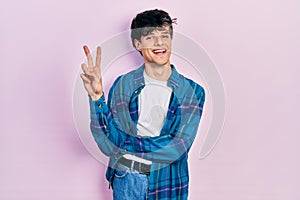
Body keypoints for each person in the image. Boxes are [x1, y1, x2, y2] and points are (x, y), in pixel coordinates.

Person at [80, 9, 205, 200]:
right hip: (126, 180)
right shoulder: (123, 85)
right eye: (150, 37)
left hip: (167, 182)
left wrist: (124, 144)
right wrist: (97, 98)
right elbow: (106, 142)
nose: (159, 43)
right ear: (138, 43)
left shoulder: (193, 92)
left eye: (164, 35)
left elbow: (177, 147)